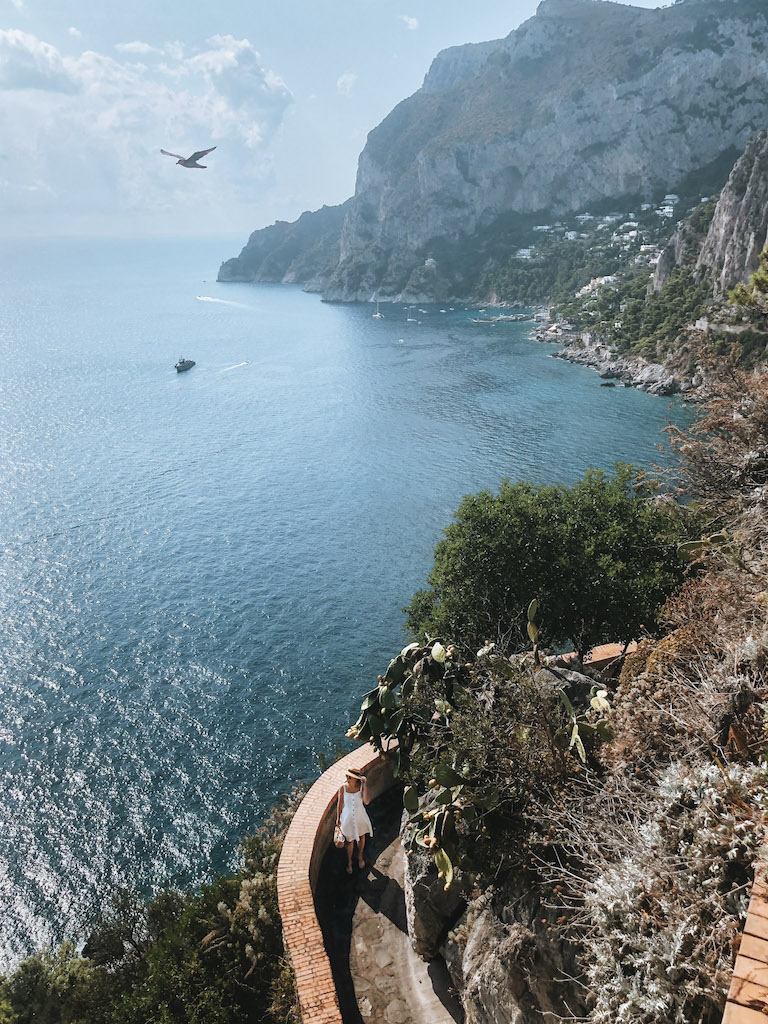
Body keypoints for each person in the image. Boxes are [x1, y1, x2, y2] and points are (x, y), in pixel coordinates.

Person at [336, 768, 373, 874]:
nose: (347, 779)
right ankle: (349, 862)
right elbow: (340, 804)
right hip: (347, 817)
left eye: (350, 777)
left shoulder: (361, 787)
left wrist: (365, 786)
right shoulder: (342, 788)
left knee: (361, 836)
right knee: (349, 841)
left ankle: (360, 856)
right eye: (347, 776)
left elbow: (366, 801)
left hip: (360, 815)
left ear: (356, 779)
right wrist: (338, 818)